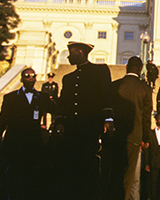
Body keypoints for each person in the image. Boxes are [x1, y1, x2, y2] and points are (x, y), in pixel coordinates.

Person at [56, 41, 113, 200]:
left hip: (90, 128)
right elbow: (63, 102)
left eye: (71, 53)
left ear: (80, 52)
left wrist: (108, 118)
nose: (68, 57)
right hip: (72, 130)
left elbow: (105, 95)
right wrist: (59, 121)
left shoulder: (99, 71)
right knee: (72, 170)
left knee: (90, 170)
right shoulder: (68, 78)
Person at [0, 68, 54, 200]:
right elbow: (2, 122)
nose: (30, 78)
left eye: (33, 76)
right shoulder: (10, 98)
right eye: (27, 76)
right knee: (14, 176)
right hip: (15, 143)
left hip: (34, 144)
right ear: (21, 79)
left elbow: (57, 110)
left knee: (33, 177)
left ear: (36, 79)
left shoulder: (43, 97)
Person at [109, 56, 153, 200]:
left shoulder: (115, 86)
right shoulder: (145, 89)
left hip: (114, 136)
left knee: (114, 173)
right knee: (128, 177)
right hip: (134, 136)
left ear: (126, 67)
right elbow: (146, 117)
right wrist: (146, 138)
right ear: (140, 70)